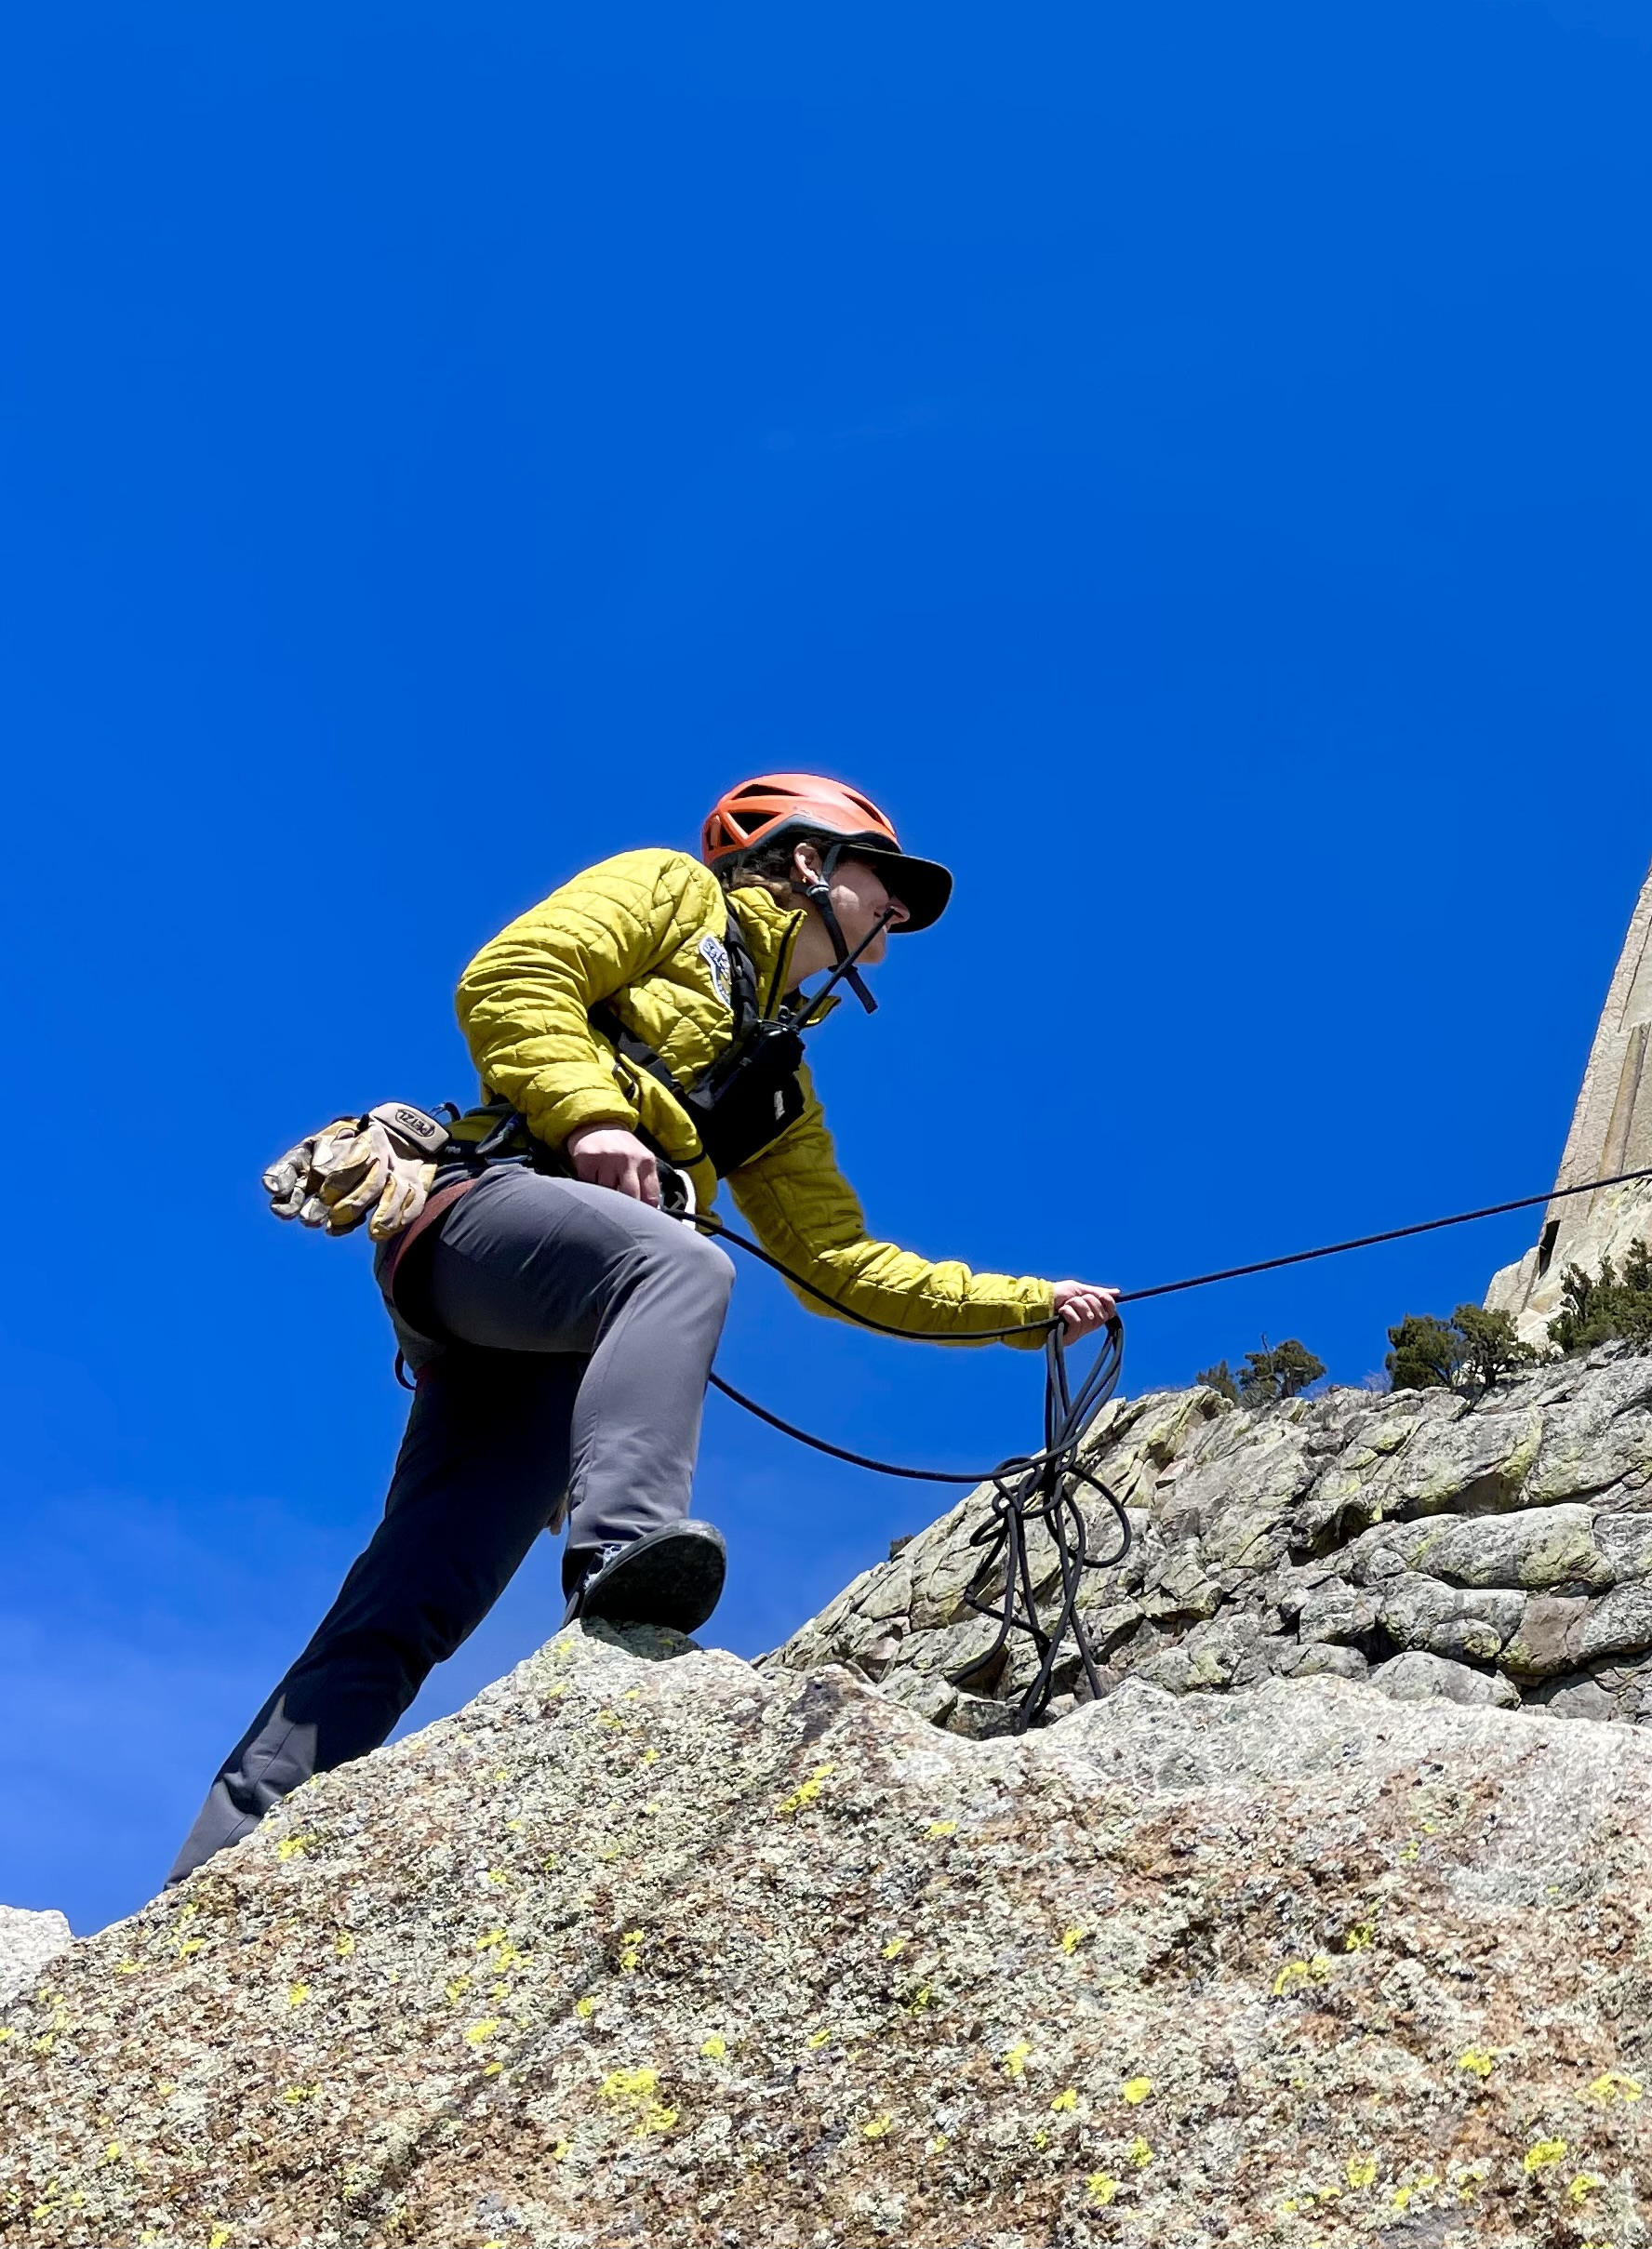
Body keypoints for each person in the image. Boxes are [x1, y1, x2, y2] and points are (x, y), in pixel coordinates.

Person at [169, 773, 1113, 1882]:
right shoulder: (671, 889)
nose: (893, 919)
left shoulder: (776, 1087)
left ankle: (213, 1875)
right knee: (681, 1261)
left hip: (551, 1328)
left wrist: (1026, 1305)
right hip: (477, 1214)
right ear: (804, 861)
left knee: (415, 1598)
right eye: (884, 883)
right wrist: (597, 1115)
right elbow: (517, 974)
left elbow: (841, 1265)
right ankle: (622, 1555)